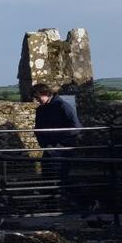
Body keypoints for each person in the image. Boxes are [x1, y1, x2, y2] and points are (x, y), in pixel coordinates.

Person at [31, 83, 85, 212]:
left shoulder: (62, 106)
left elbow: (76, 127)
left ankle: (82, 202)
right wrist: (45, 144)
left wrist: (59, 141)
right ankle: (53, 207)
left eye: (38, 97)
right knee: (48, 178)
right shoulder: (41, 109)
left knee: (61, 178)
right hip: (50, 149)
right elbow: (38, 129)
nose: (37, 100)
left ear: (46, 94)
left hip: (62, 149)